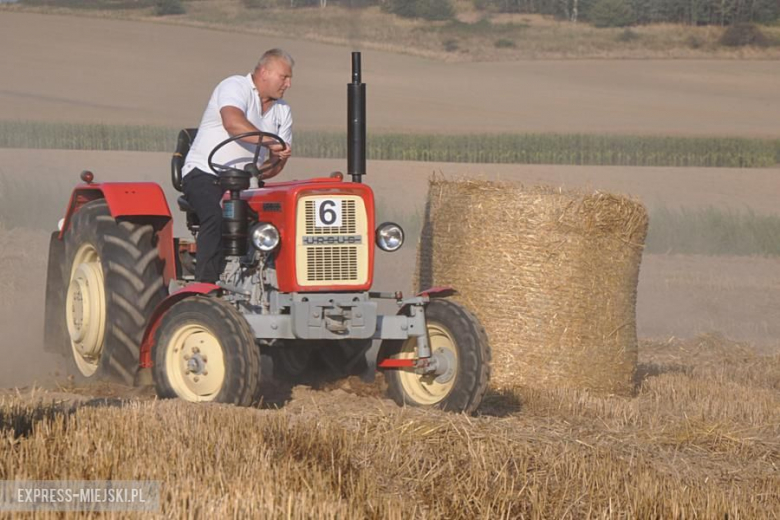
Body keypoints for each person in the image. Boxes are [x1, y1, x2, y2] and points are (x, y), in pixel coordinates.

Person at [182, 48, 294, 283]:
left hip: (247, 182)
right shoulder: (234, 86)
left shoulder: (283, 111)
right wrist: (272, 141)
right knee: (215, 214)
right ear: (264, 72)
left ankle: (272, 280)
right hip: (206, 174)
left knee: (280, 218)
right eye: (284, 77)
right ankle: (206, 284)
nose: (288, 84)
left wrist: (279, 157)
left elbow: (274, 165)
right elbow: (233, 123)